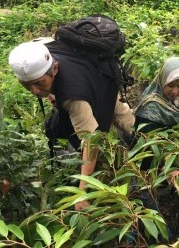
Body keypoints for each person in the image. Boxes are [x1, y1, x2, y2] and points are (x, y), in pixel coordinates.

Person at [8, 39, 134, 210]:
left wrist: (83, 192)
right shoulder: (46, 49)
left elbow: (92, 142)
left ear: (55, 68)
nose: (35, 91)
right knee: (128, 122)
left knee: (110, 157)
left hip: (102, 89)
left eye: (39, 83)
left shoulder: (72, 98)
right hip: (100, 80)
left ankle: (126, 195)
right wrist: (50, 92)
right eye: (26, 85)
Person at [133, 57, 179, 170]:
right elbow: (146, 146)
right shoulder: (150, 107)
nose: (175, 91)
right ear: (163, 80)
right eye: (170, 85)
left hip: (176, 150)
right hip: (152, 160)